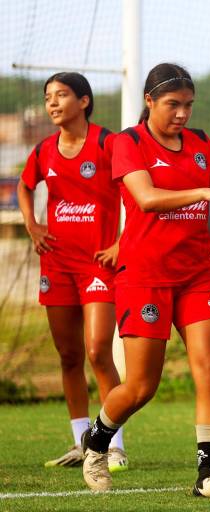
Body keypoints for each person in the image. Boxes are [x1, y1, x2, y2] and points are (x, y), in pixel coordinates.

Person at [79, 63, 210, 497]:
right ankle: (96, 441)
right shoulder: (128, 142)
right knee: (140, 387)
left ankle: (208, 477)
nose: (182, 114)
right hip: (144, 276)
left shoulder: (201, 142)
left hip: (197, 274)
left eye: (189, 105)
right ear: (149, 100)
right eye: (173, 104)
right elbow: (148, 198)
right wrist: (206, 194)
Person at [17, 72, 128, 472]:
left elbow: (136, 189)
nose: (52, 103)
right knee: (69, 355)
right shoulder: (45, 149)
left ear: (84, 101)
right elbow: (24, 185)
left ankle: (113, 444)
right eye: (48, 97)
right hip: (56, 264)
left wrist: (123, 241)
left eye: (61, 95)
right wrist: (32, 224)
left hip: (98, 265)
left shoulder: (108, 143)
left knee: (98, 349)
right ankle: (81, 442)